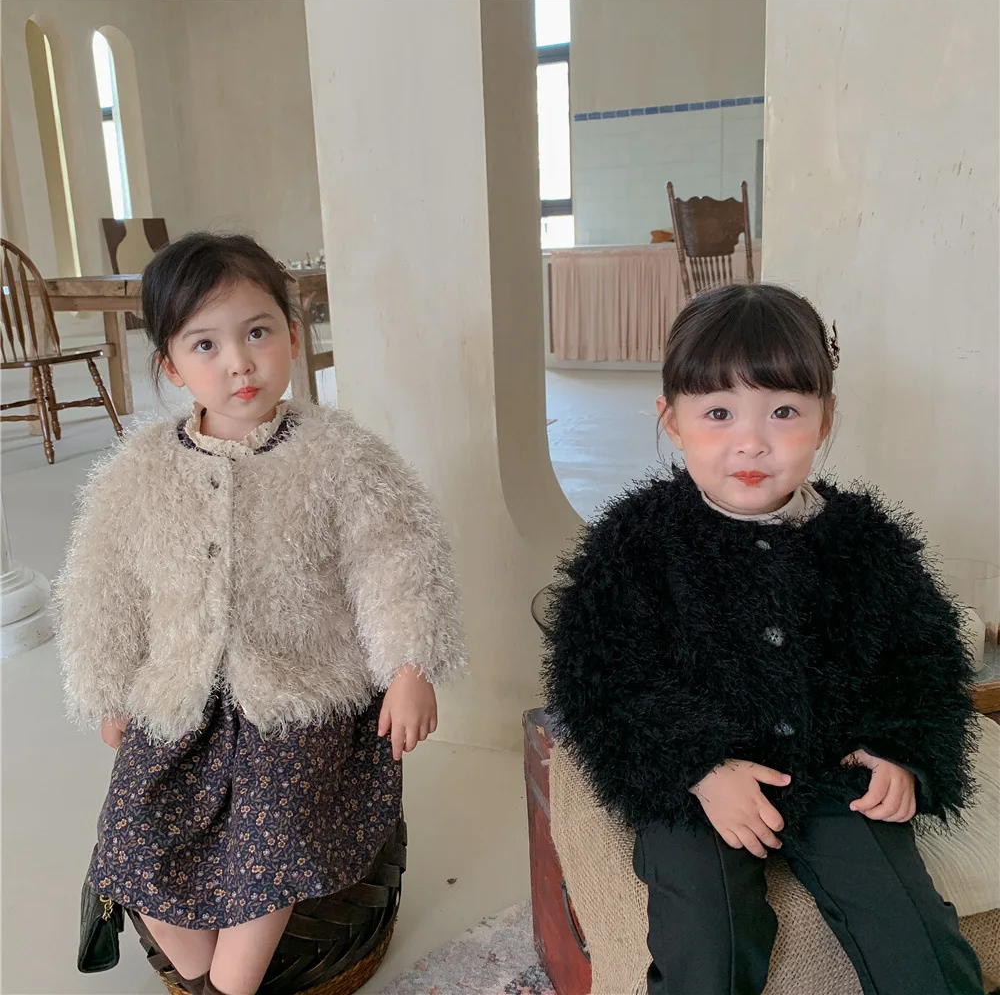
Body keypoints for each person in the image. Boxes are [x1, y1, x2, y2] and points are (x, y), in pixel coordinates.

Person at [541, 283, 985, 995]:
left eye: (783, 412)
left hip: (834, 766)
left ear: (824, 419)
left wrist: (901, 753)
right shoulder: (635, 544)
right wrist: (700, 767)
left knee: (916, 940)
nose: (751, 441)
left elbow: (924, 659)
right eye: (718, 413)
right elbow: (600, 677)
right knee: (707, 939)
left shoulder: (866, 543)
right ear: (672, 421)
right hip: (696, 781)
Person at [56, 232, 466, 995]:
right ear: (171, 366)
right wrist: (108, 687)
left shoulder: (341, 456)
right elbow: (100, 585)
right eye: (205, 345)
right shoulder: (139, 472)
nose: (239, 364)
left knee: (272, 836)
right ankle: (204, 978)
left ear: (292, 336)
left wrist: (410, 666)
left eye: (257, 333)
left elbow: (397, 559)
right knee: (127, 842)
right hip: (180, 695)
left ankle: (228, 989)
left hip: (302, 696)